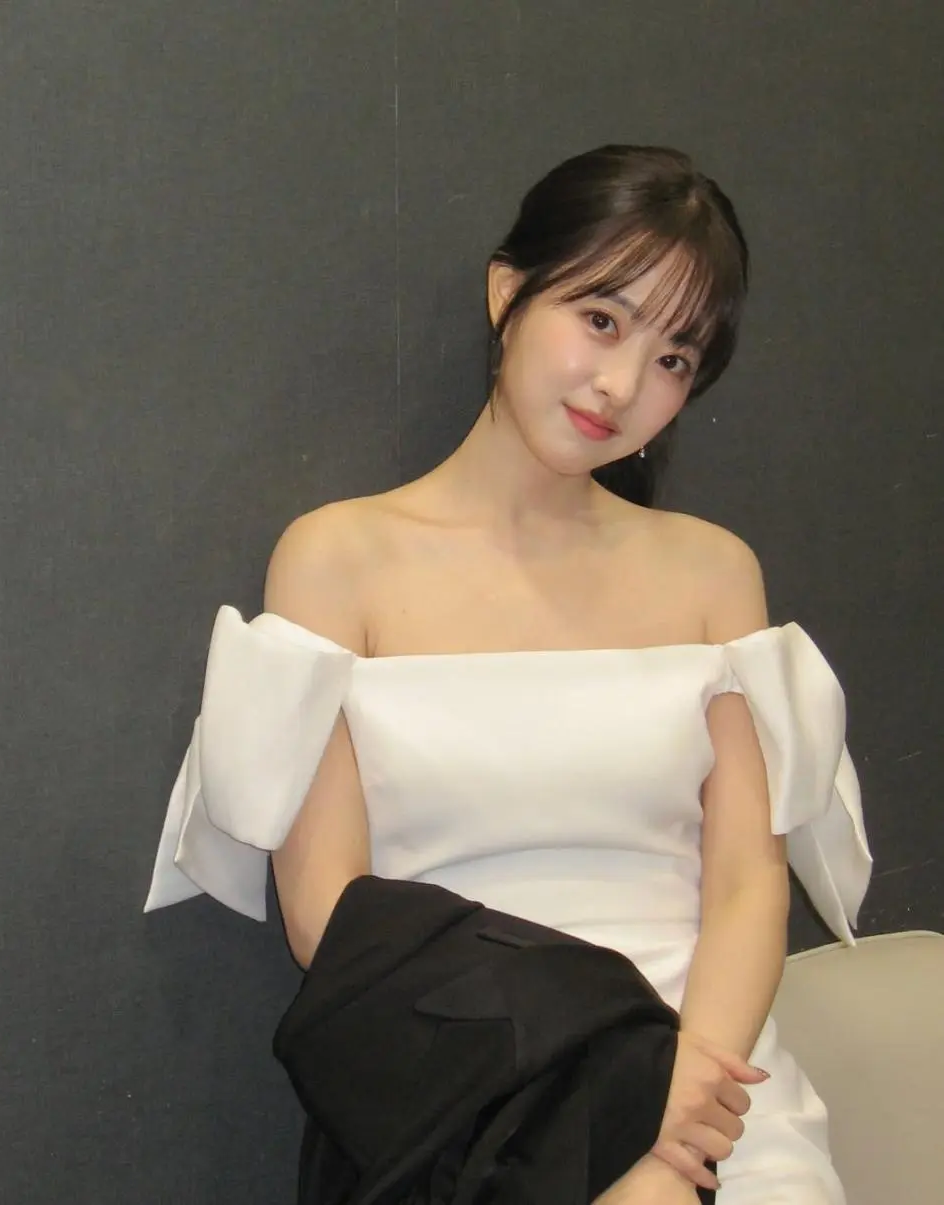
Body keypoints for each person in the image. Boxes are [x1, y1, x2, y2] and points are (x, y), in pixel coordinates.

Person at [145, 145, 872, 1203]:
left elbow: (747, 885)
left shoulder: (715, 573)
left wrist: (676, 1137)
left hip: (713, 1089)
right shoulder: (337, 558)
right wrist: (611, 1097)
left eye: (675, 357)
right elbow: (328, 915)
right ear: (507, 293)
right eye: (603, 319)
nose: (623, 385)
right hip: (468, 1096)